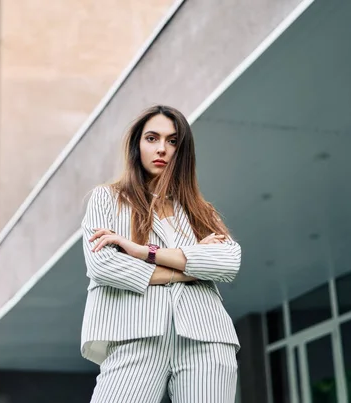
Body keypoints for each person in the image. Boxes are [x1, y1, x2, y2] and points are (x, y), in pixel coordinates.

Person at [80, 105, 242, 403]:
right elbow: (103, 265)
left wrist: (144, 252)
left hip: (205, 337)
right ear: (137, 145)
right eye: (152, 138)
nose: (162, 149)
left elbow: (228, 262)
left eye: (172, 141)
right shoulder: (107, 198)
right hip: (135, 335)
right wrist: (189, 265)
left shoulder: (200, 211)